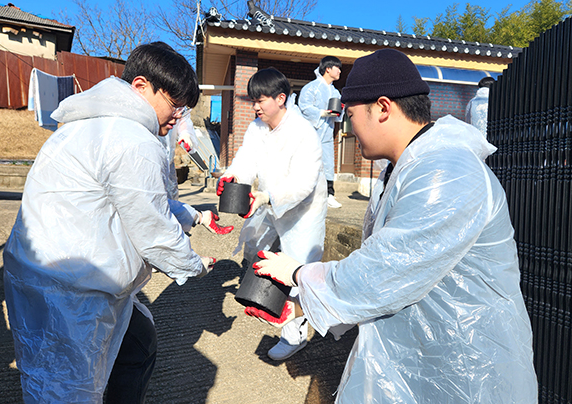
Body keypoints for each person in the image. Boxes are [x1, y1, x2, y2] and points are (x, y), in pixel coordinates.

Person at [246, 49, 538, 403]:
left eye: (352, 115)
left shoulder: (445, 170)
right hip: (430, 351)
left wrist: (298, 275)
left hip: (469, 363)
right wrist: (302, 305)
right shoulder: (405, 167)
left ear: (383, 108)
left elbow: (382, 270)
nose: (350, 127)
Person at [3, 42, 218, 403]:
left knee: (134, 345)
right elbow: (153, 230)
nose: (178, 116)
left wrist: (191, 215)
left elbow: (139, 201)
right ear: (140, 86)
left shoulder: (90, 124)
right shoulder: (132, 138)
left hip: (48, 274)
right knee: (66, 388)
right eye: (174, 104)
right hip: (74, 292)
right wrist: (194, 265)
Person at [216, 67, 327, 360]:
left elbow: (304, 183)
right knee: (258, 253)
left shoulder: (303, 132)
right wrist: (233, 177)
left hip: (303, 211)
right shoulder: (257, 128)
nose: (255, 107)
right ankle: (267, 303)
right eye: (253, 100)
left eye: (260, 100)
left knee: (297, 269)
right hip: (267, 203)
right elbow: (245, 159)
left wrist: (268, 196)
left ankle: (294, 336)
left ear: (281, 98)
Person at [158, 111, 233, 234]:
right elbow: (152, 204)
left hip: (166, 163)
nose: (175, 118)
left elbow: (183, 118)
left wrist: (186, 133)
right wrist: (199, 217)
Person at [298, 56, 344, 208]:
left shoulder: (335, 92)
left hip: (327, 134)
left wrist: (338, 111)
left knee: (328, 164)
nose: (340, 71)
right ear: (328, 69)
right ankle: (307, 195)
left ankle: (329, 195)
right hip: (312, 133)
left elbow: (338, 115)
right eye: (337, 67)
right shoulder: (312, 87)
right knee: (310, 163)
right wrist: (322, 113)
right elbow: (304, 107)